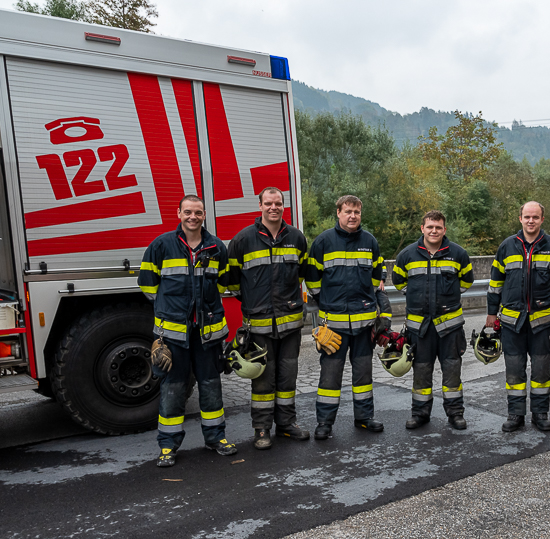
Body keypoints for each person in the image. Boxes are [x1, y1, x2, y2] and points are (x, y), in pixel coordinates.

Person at [138, 195, 236, 467]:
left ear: (204, 215)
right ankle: (168, 445)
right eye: (188, 212)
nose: (193, 217)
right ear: (179, 213)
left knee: (211, 386)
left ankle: (216, 438)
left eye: (198, 212)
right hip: (174, 334)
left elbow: (223, 282)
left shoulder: (216, 247)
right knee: (173, 388)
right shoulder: (161, 245)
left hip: (207, 333)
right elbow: (148, 285)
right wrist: (170, 310)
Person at [226, 187, 310, 450]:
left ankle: (286, 424)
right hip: (259, 325)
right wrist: (255, 303)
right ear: (260, 205)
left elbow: (301, 275)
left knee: (287, 377)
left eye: (278, 203)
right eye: (269, 203)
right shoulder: (242, 240)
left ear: (283, 206)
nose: (274, 207)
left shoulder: (296, 238)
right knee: (262, 378)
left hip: (290, 324)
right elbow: (233, 282)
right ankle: (261, 429)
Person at [304, 195, 391, 441]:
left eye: (357, 212)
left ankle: (364, 417)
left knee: (363, 375)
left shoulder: (370, 241)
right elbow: (312, 280)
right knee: (330, 377)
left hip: (364, 325)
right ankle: (324, 422)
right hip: (334, 325)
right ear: (338, 213)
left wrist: (370, 305)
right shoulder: (323, 241)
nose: (353, 216)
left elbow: (376, 279)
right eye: (348, 211)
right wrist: (327, 302)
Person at [487, 201, 550, 432]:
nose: (531, 221)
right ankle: (515, 414)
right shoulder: (506, 246)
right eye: (527, 217)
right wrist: (491, 313)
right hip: (511, 323)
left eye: (535, 217)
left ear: (542, 219)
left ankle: (540, 414)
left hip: (543, 323)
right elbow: (495, 283)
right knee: (514, 370)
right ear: (520, 219)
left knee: (541, 370)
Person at [392, 210, 474, 430]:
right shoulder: (407, 254)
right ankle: (420, 414)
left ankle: (455, 414)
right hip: (420, 328)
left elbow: (466, 282)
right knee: (421, 372)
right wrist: (416, 295)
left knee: (452, 372)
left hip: (450, 328)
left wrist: (448, 297)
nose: (434, 231)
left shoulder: (458, 254)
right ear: (422, 228)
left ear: (444, 229)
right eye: (430, 227)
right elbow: (398, 281)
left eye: (438, 227)